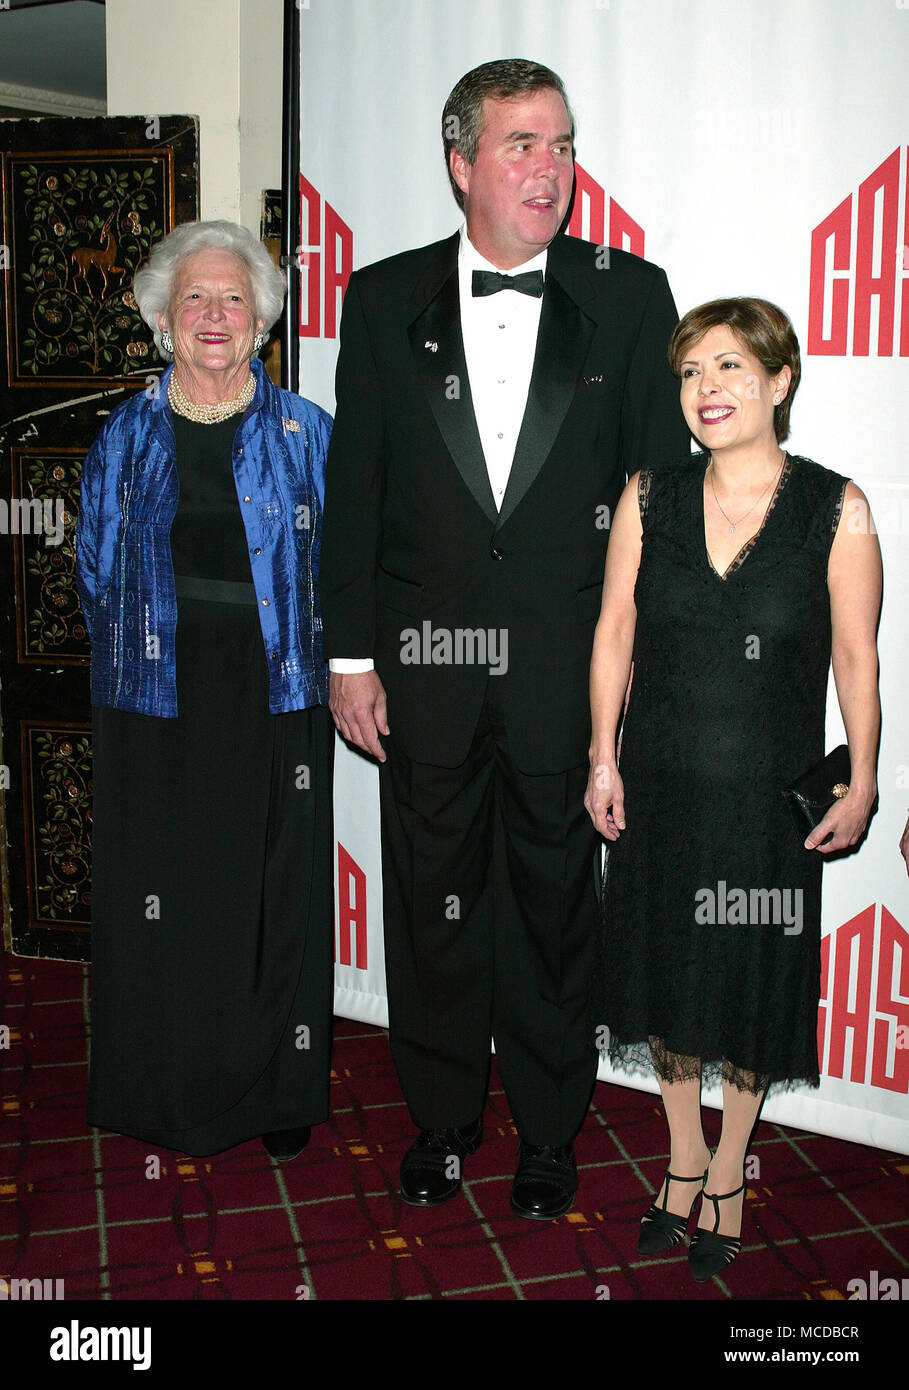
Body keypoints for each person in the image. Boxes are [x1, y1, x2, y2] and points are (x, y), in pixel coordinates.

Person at [320, 59, 689, 1218]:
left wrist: (633, 686)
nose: (552, 168)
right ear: (460, 163)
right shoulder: (382, 301)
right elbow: (357, 491)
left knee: (550, 906)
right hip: (420, 676)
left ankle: (547, 1129)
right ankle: (438, 1121)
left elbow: (655, 506)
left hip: (562, 680)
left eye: (564, 145)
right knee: (434, 904)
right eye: (524, 144)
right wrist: (348, 656)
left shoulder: (630, 297)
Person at [586, 296, 881, 1278]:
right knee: (665, 975)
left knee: (750, 987)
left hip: (767, 801)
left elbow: (856, 656)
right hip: (661, 786)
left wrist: (868, 774)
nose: (705, 391)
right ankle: (681, 1159)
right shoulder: (648, 496)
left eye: (728, 368)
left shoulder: (836, 508)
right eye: (690, 373)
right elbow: (614, 636)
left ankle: (731, 1169)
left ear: (780, 381)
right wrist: (601, 752)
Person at [76, 220, 334, 1159]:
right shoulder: (126, 434)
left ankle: (276, 1089)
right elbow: (95, 571)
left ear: (261, 318)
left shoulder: (308, 434)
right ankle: (162, 1083)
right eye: (195, 298)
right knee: (164, 888)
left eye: (233, 298)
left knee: (271, 888)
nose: (214, 314)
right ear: (163, 319)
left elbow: (344, 570)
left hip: (273, 695)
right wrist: (132, 676)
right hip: (155, 696)